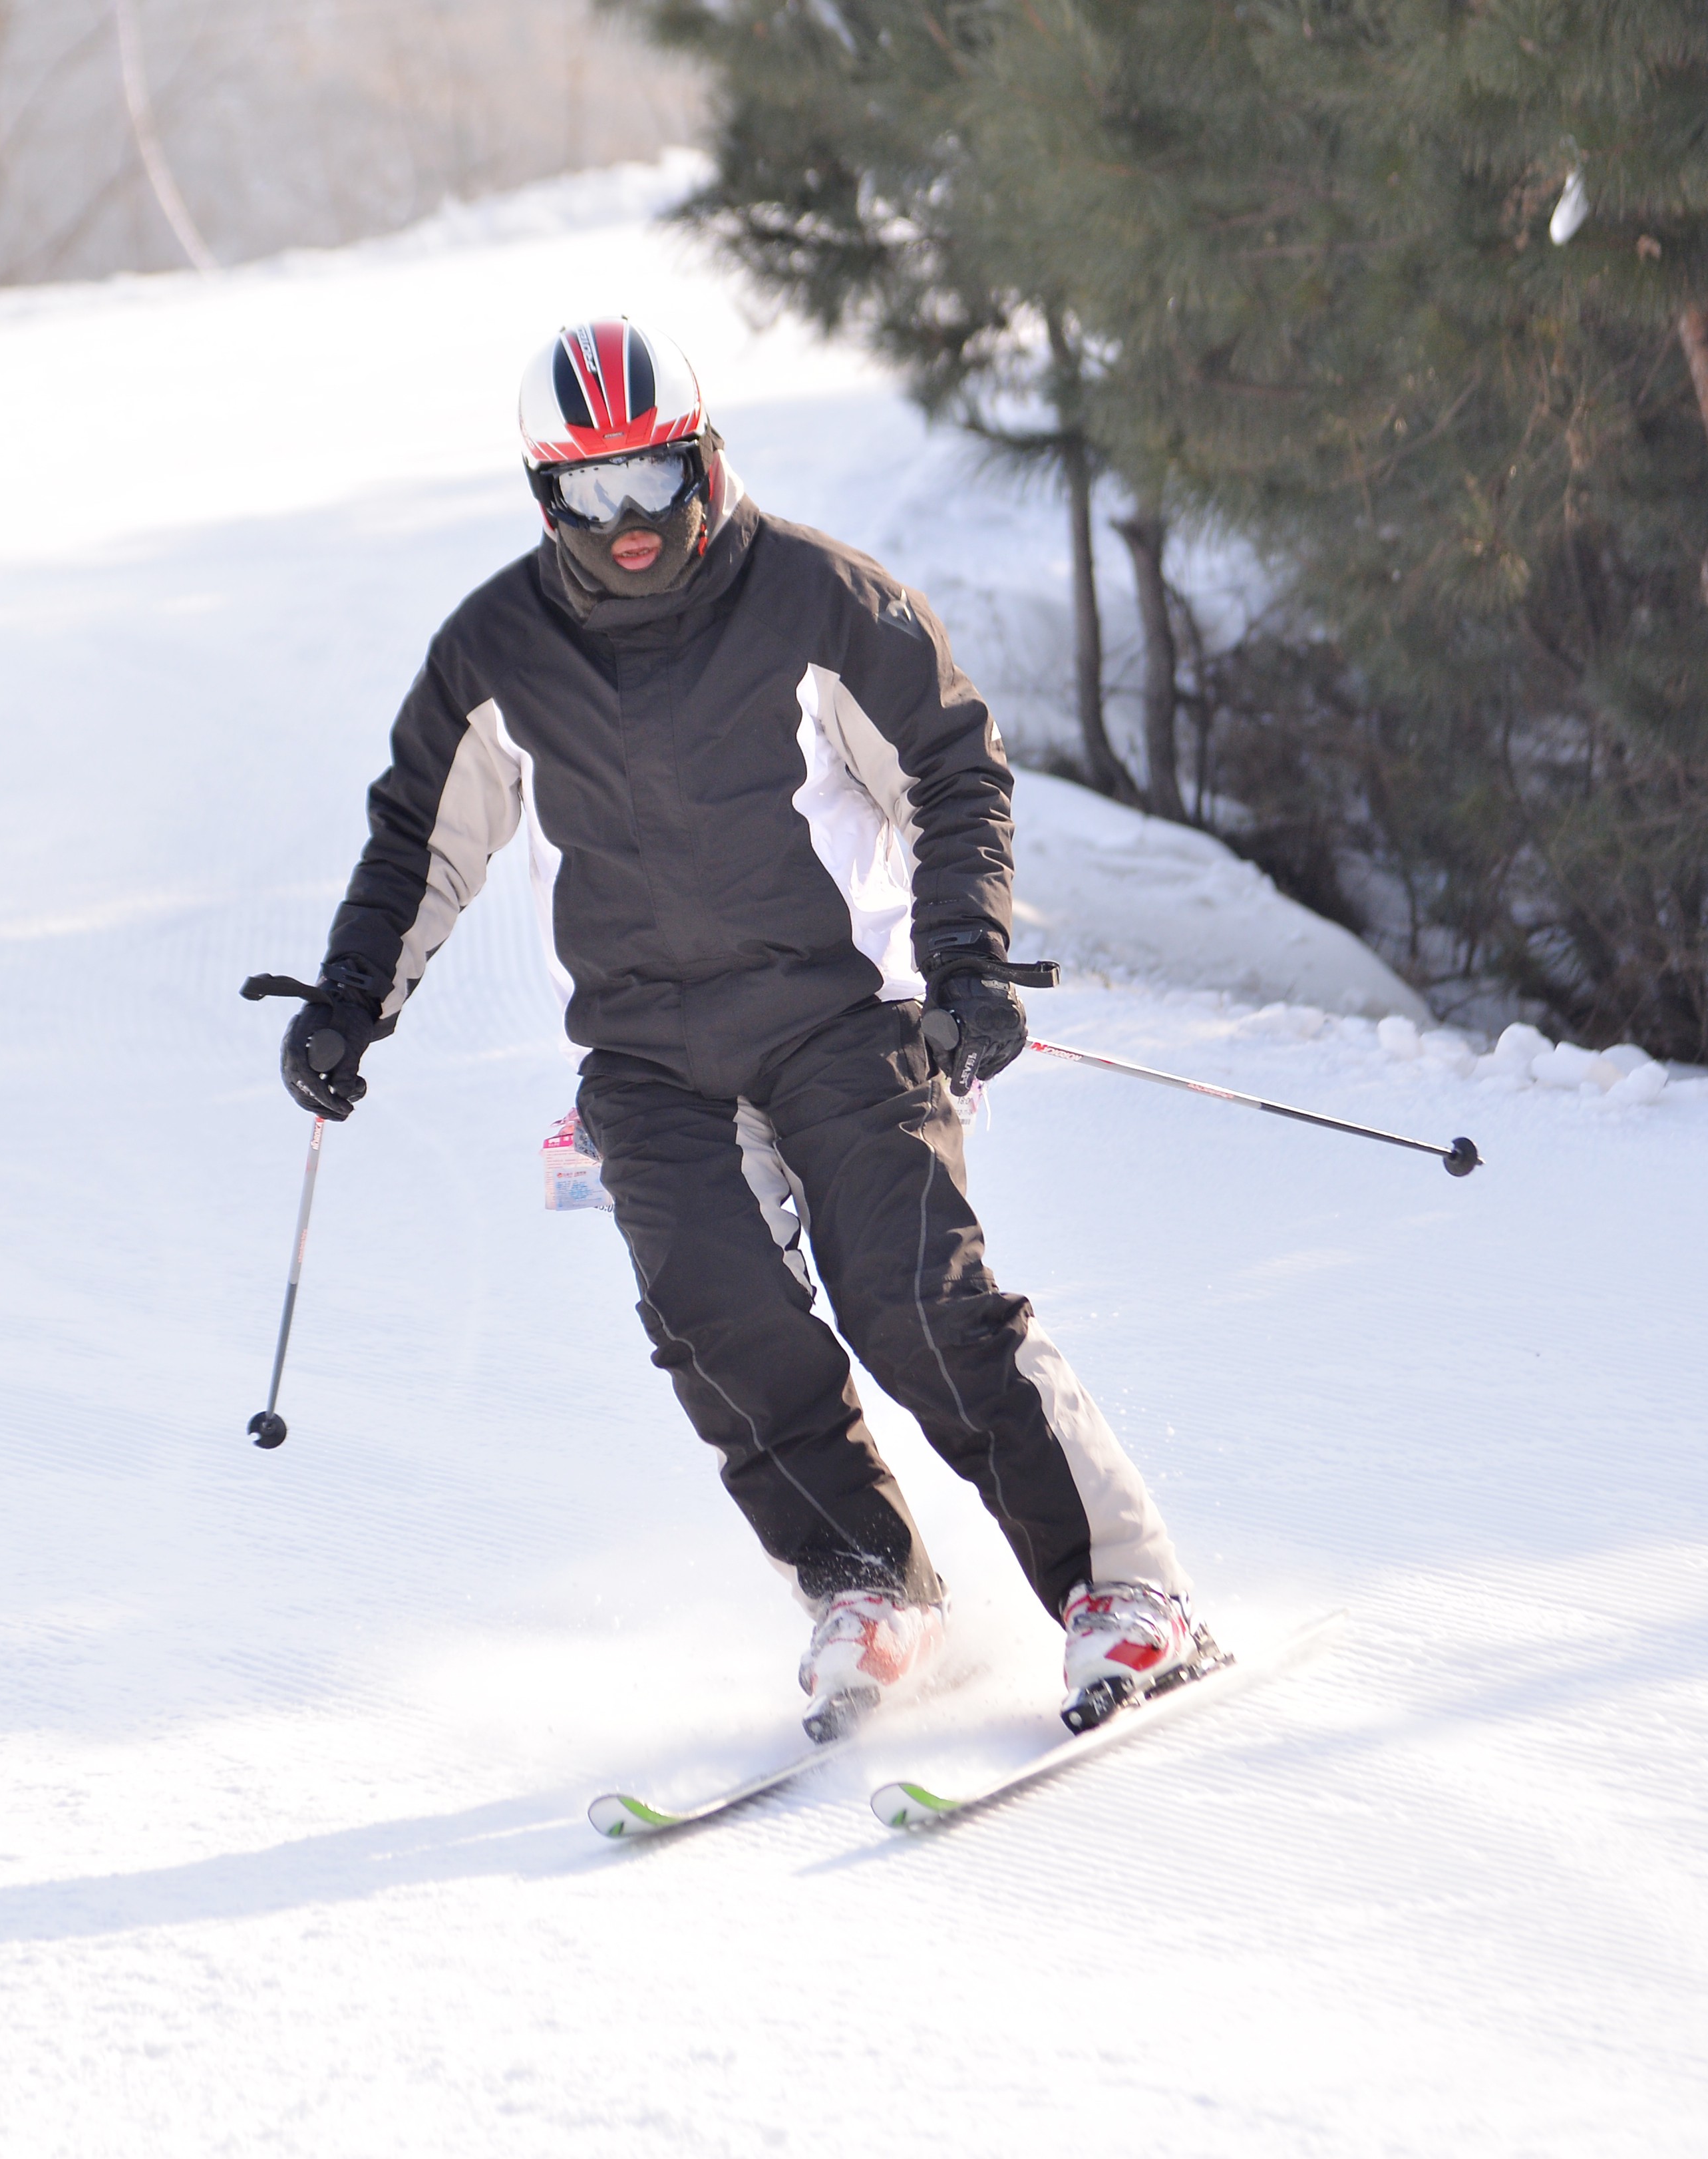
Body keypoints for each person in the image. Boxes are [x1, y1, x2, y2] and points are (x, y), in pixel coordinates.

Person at [263, 319, 1198, 1740]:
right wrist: (349, 1004)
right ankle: (869, 1586)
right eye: (589, 494)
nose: (628, 525)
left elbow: (952, 769)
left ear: (703, 457)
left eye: (652, 481)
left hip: (845, 1018)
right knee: (713, 1313)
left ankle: (1124, 1594)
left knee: (914, 1304)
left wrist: (961, 955)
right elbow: (419, 843)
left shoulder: (822, 600)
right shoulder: (498, 649)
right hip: (647, 1052)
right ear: (544, 498)